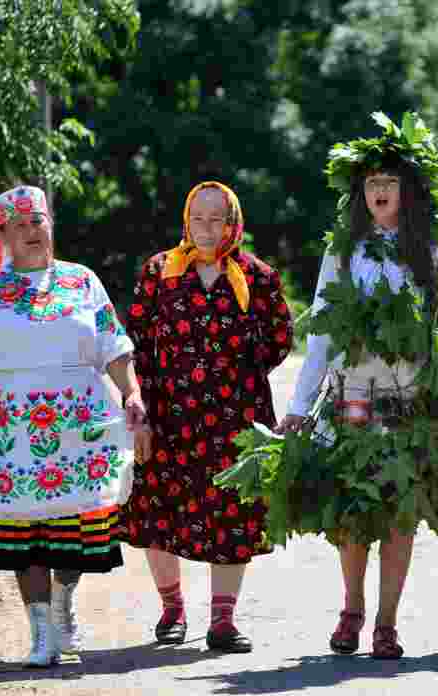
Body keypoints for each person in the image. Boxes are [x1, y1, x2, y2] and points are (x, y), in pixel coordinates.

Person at [277, 113, 438, 660]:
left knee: (401, 512)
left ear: (408, 192)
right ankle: (352, 608)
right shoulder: (343, 252)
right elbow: (320, 331)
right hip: (353, 394)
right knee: (353, 508)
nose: (379, 190)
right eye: (371, 183)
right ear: (360, 195)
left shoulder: (428, 254)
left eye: (389, 181)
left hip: (409, 397)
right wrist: (299, 404)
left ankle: (387, 622)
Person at [0, 184, 145, 667]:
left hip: (81, 421)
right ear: (2, 235)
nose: (31, 231)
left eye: (37, 221)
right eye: (19, 225)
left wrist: (132, 392)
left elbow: (113, 344)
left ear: (50, 224)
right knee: (25, 532)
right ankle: (41, 633)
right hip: (13, 424)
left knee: (74, 526)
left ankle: (62, 605)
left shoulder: (82, 281)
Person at [118, 181, 292, 653]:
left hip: (236, 417)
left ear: (233, 222)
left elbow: (280, 338)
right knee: (159, 510)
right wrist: (140, 407)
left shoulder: (257, 276)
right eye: (198, 218)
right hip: (168, 415)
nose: (207, 228)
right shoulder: (160, 271)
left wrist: (236, 374)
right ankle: (172, 609)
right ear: (186, 220)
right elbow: (135, 341)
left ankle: (223, 621)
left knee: (233, 513)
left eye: (217, 219)